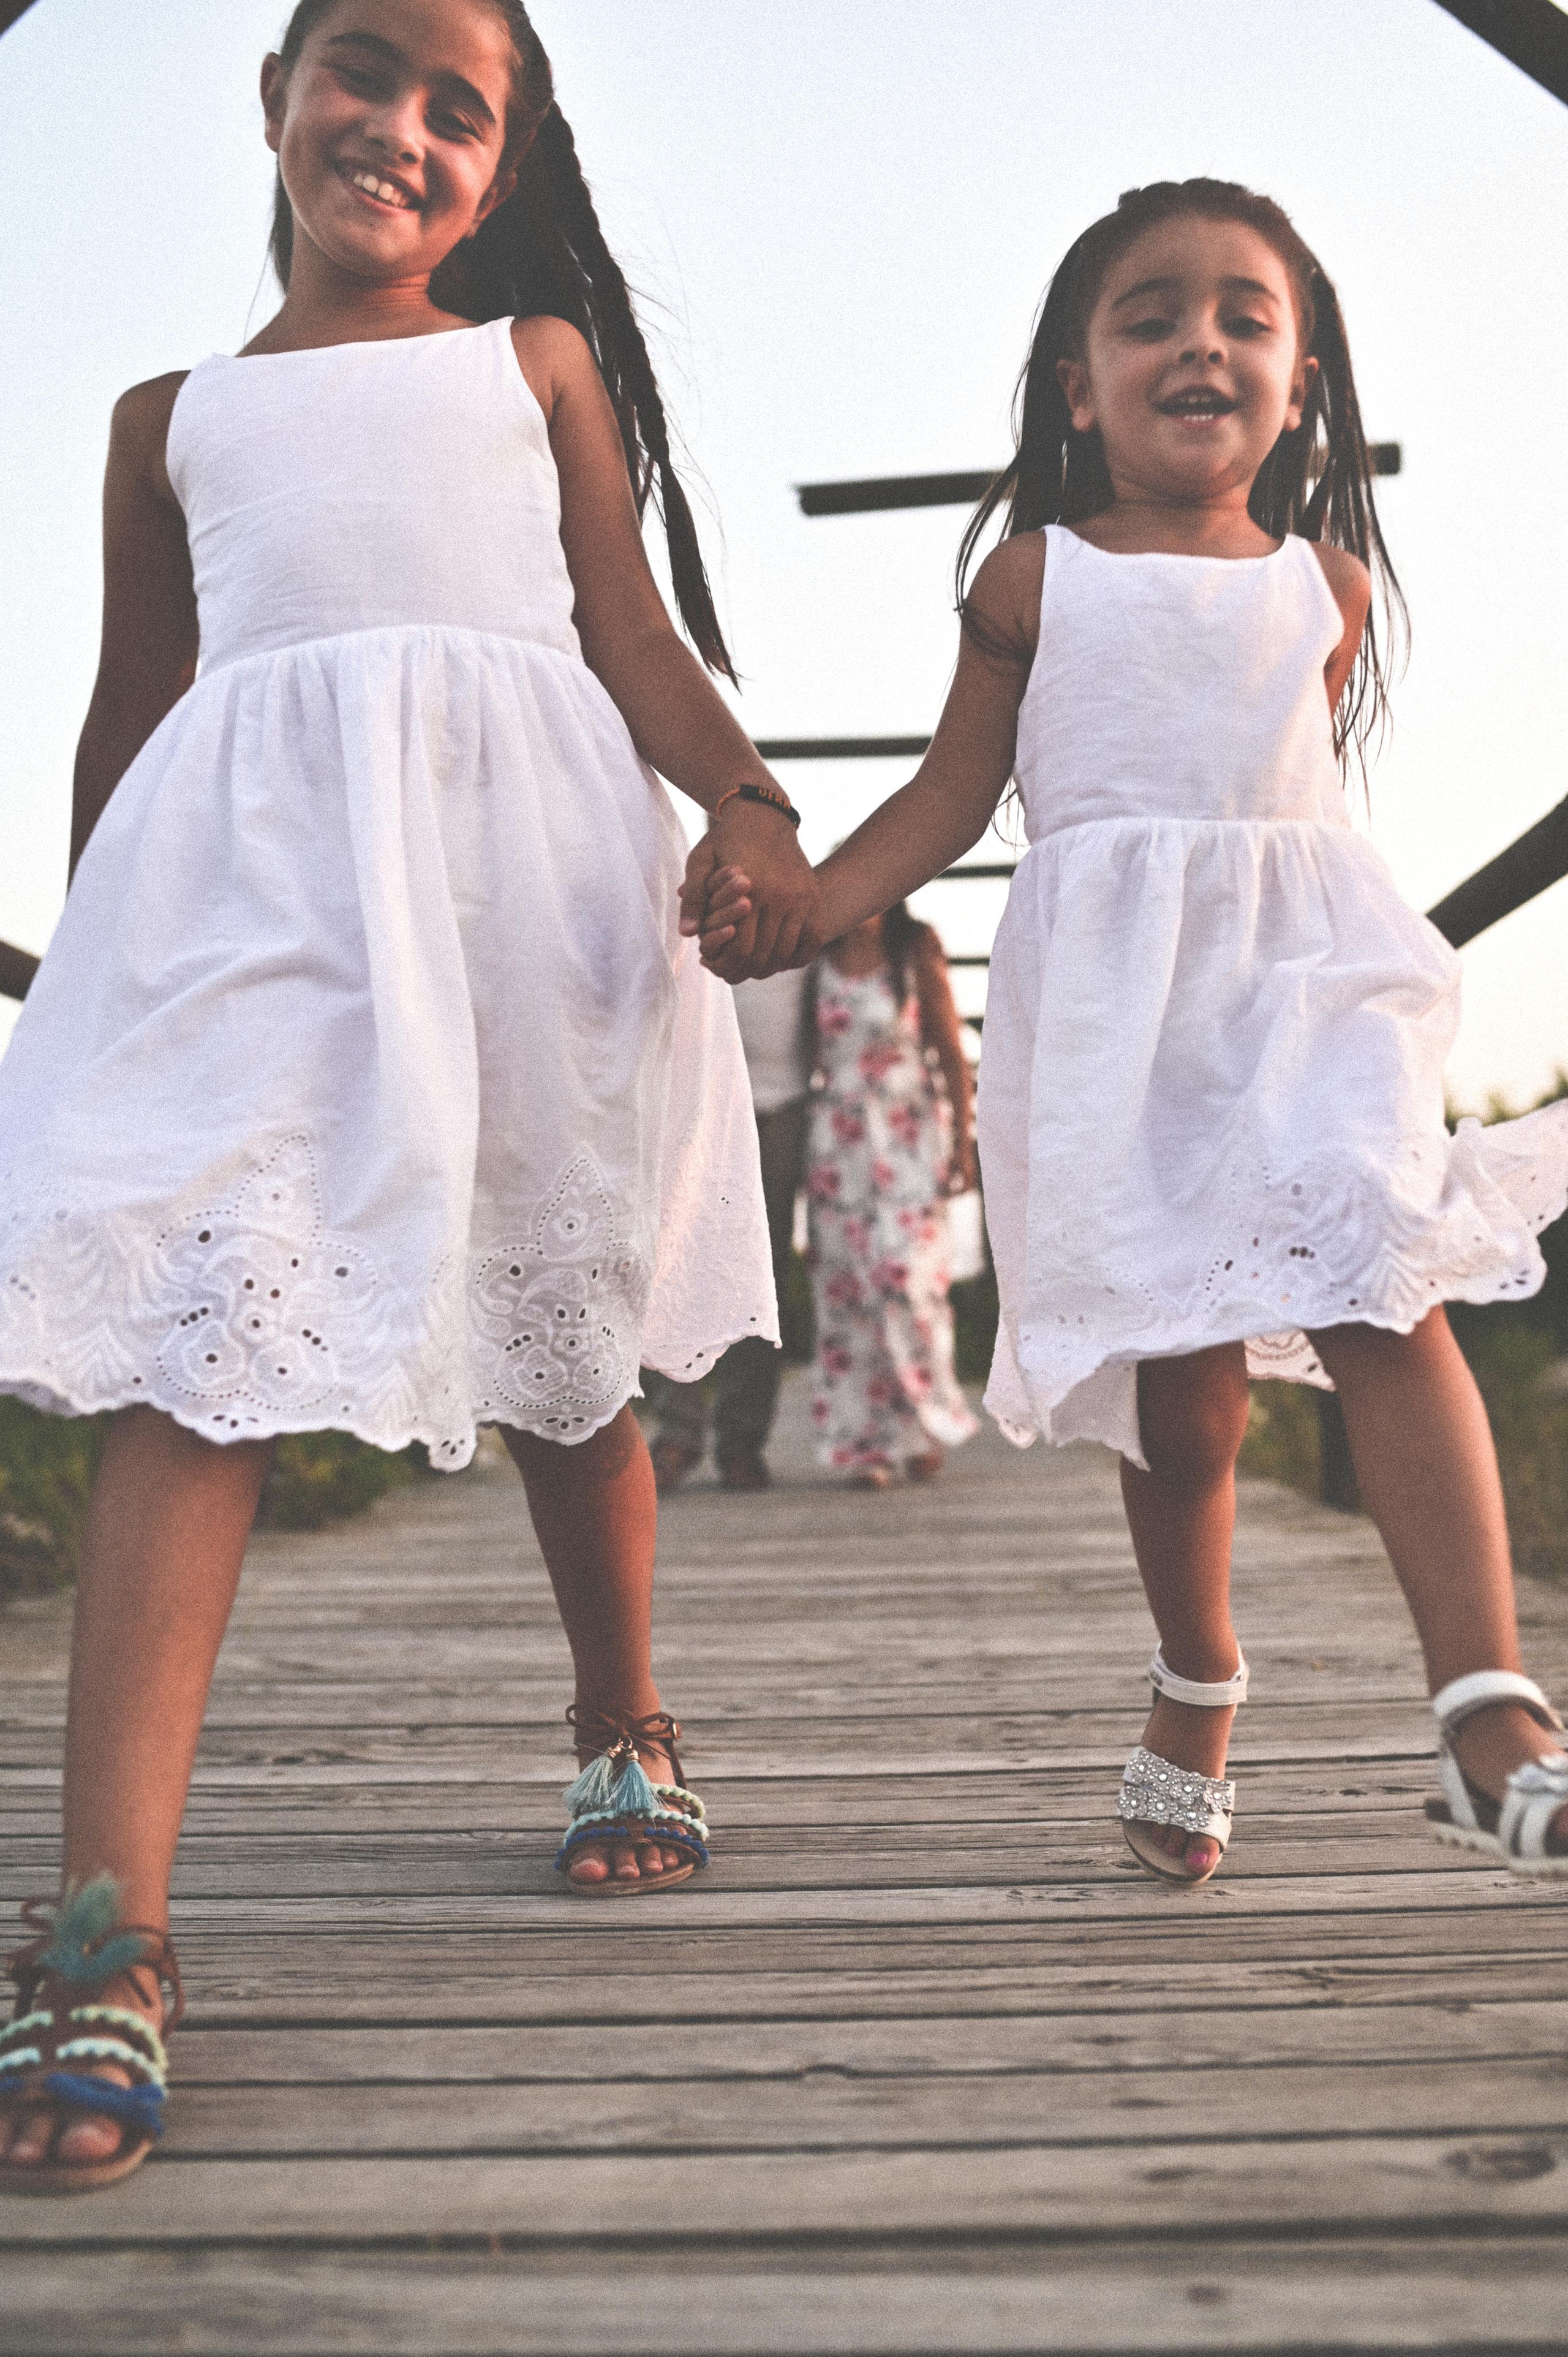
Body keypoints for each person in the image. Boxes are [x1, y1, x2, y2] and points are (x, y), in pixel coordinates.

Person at [0, 0, 817, 2190]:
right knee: (202, 1346)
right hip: (257, 887)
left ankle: (615, 1710)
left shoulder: (526, 362)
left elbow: (626, 630)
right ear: (276, 102)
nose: (405, 122)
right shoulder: (164, 418)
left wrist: (739, 798)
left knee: (564, 1339)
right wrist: (92, 973)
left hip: (515, 867)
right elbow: (131, 713)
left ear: (497, 161)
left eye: (464, 105)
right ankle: (108, 1921)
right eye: (365, 67)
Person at [688, 179, 1568, 1888]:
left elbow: (1267, 798)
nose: (1202, 341)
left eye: (1247, 315)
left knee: (1383, 1274)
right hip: (1121, 1016)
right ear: (1079, 387)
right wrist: (802, 902)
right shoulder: (1038, 576)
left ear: (1300, 384)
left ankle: (1492, 1710)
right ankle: (1195, 1680)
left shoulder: (1326, 586)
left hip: (1305, 984)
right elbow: (953, 796)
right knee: (1190, 1402)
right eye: (1151, 314)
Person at [808, 902, 980, 1485]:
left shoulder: (913, 950)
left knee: (909, 1282)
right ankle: (863, 1444)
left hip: (907, 1134)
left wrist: (963, 1142)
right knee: (847, 1289)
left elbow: (950, 1051)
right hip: (840, 1140)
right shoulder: (818, 958)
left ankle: (925, 1425)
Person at [647, 967, 811, 1493]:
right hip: (692, 1101)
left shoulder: (811, 894)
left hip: (781, 1105)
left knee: (766, 1277)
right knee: (679, 1261)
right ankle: (678, 1432)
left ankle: (742, 1439)